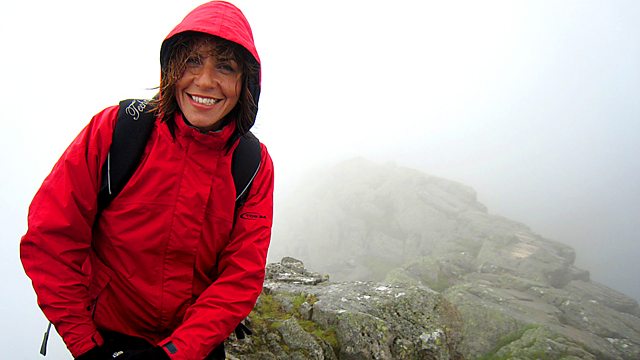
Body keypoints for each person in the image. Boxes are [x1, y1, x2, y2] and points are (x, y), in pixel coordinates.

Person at [20, 1, 273, 359]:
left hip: (193, 347)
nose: (205, 81)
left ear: (245, 83)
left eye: (226, 67)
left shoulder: (253, 165)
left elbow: (240, 276)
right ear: (171, 69)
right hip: (106, 340)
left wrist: (173, 353)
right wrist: (86, 345)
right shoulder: (116, 130)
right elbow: (50, 239)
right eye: (191, 61)